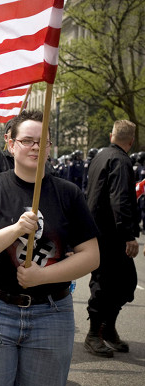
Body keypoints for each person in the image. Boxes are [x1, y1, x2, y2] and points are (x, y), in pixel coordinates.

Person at [0, 110, 100, 386]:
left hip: (52, 313)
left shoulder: (69, 193)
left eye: (42, 142)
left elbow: (91, 255)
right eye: (27, 140)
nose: (35, 147)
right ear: (11, 145)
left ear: (50, 148)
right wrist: (14, 230)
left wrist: (42, 276)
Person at [84, 120, 140, 358]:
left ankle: (107, 329)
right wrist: (129, 236)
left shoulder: (100, 156)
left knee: (123, 282)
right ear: (132, 141)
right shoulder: (121, 160)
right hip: (111, 234)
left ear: (111, 135)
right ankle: (93, 334)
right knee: (106, 284)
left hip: (99, 230)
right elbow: (120, 199)